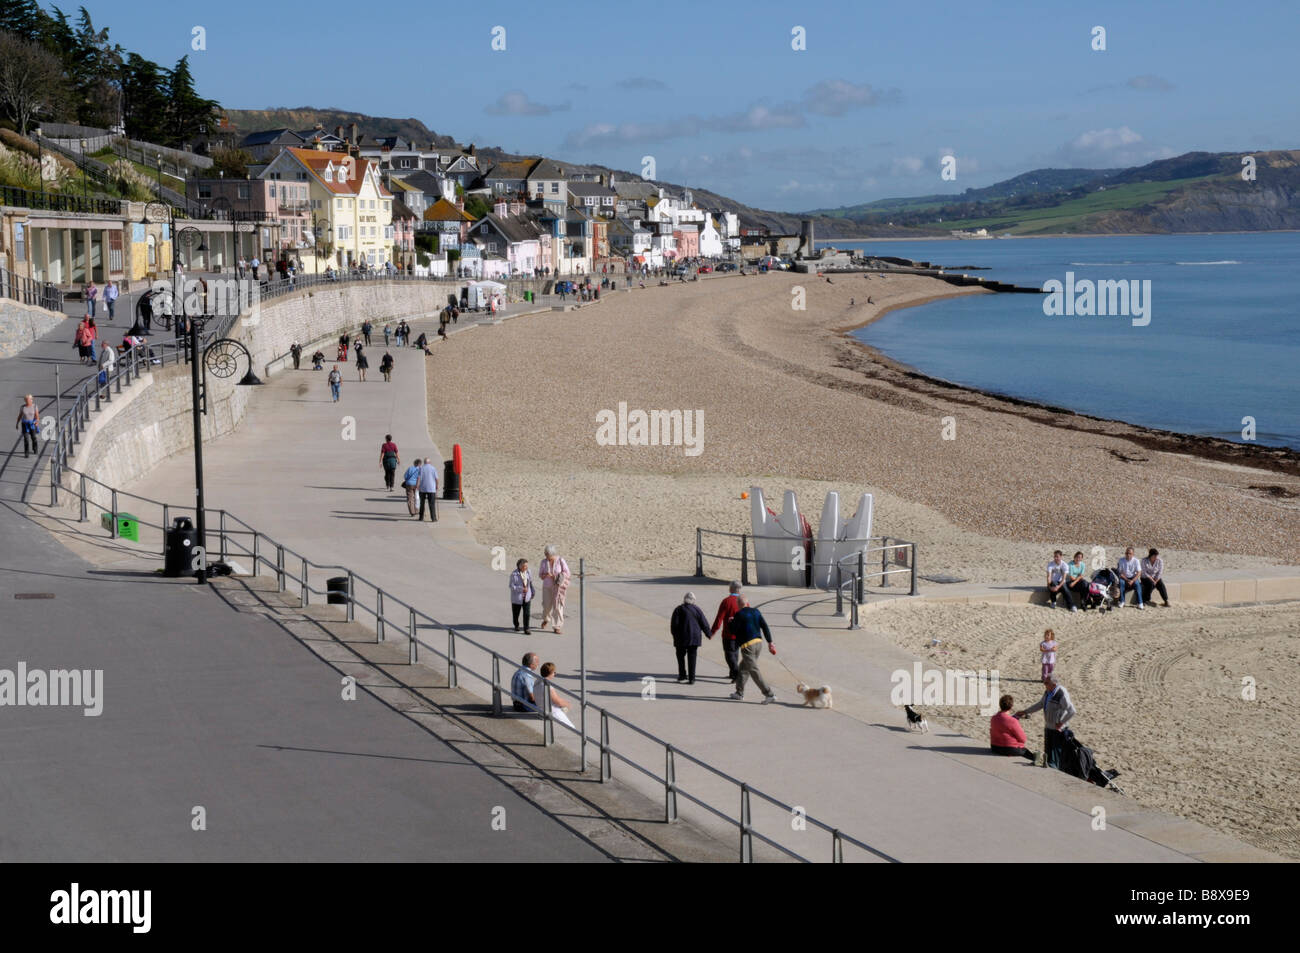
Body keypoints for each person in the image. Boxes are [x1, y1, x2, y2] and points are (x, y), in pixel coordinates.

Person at [1015, 673, 1076, 769]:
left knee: (1055, 756)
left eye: (1046, 683)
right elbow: (1040, 704)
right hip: (1048, 726)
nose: (1044, 684)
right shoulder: (1048, 691)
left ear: (1054, 684)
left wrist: (1061, 722)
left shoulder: (1061, 693)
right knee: (1048, 754)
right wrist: (1025, 711)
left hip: (1058, 729)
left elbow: (1072, 711)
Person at [728, 598, 776, 703]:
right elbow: (765, 626)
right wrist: (770, 642)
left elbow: (733, 631)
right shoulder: (756, 611)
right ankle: (739, 693)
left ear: (738, 604)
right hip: (758, 643)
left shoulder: (739, 614)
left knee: (753, 670)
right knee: (743, 668)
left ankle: (769, 694)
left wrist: (731, 622)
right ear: (747, 603)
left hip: (747, 646)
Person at [670, 592, 711, 684]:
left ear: (684, 600)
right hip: (694, 637)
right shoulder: (697, 609)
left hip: (681, 638)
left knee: (680, 657)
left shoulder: (678, 609)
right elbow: (704, 622)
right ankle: (692, 678)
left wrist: (675, 636)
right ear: (693, 601)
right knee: (692, 657)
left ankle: (682, 675)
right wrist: (709, 634)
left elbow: (674, 625)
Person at [710, 581, 744, 680]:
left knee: (729, 655)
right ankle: (732, 674)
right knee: (735, 653)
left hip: (728, 634)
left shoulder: (726, 601)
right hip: (740, 633)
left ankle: (736, 674)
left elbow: (719, 618)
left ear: (731, 588)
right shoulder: (743, 600)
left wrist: (712, 631)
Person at [989, 695, 1037, 761]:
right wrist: (1015, 719)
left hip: (995, 747)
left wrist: (1015, 717)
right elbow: (1023, 739)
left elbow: (1004, 722)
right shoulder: (1012, 721)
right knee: (1033, 757)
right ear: (1011, 707)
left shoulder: (994, 718)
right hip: (1009, 749)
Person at [538, 545, 570, 634]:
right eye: (545, 554)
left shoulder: (560, 560)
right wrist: (545, 575)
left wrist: (555, 576)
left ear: (552, 554)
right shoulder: (543, 562)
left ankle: (557, 626)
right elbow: (540, 575)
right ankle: (546, 619)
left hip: (558, 587)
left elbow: (567, 573)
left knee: (558, 607)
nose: (546, 556)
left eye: (547, 554)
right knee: (546, 606)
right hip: (547, 587)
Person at [536, 662, 574, 729]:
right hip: (552, 712)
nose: (554, 674)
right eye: (554, 672)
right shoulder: (548, 686)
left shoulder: (537, 681)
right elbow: (557, 701)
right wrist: (567, 704)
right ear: (550, 673)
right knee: (572, 728)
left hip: (541, 709)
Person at [510, 558, 535, 633]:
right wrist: (521, 589)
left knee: (527, 614)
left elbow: (530, 582)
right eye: (524, 566)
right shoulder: (514, 574)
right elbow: (511, 586)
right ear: (519, 566)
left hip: (527, 597)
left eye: (527, 566)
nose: (526, 567)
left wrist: (532, 592)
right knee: (516, 614)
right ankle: (516, 625)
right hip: (517, 598)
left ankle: (526, 628)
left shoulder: (528, 572)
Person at [416, 457, 439, 521]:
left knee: (422, 503)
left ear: (424, 462)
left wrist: (417, 486)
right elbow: (436, 479)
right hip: (431, 488)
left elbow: (419, 478)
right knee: (432, 504)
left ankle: (421, 517)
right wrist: (437, 486)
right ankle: (433, 518)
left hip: (422, 488)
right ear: (430, 462)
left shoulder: (421, 468)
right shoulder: (433, 468)